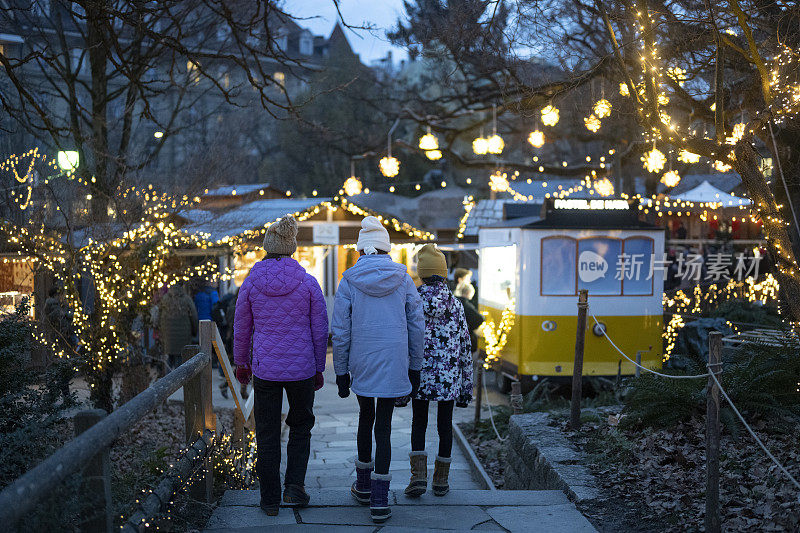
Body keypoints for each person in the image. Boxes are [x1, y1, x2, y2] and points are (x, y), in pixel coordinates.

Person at [233, 216, 328, 516]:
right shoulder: (309, 283)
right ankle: (295, 488)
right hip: (301, 369)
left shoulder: (250, 284)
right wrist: (318, 366)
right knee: (301, 427)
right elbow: (320, 328)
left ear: (266, 249)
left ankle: (269, 499)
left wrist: (241, 363)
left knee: (267, 432)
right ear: (291, 249)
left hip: (265, 370)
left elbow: (241, 327)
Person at [332, 216, 424, 524]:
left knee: (365, 418)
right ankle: (381, 500)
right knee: (383, 427)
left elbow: (341, 331)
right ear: (386, 248)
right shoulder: (404, 278)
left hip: (362, 360)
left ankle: (363, 486)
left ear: (360, 249)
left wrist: (341, 372)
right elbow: (417, 326)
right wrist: (415, 366)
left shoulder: (349, 280)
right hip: (395, 359)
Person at [405, 245, 474, 498]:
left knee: (418, 423)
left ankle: (418, 478)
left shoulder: (412, 302)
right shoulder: (456, 305)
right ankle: (442, 481)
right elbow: (465, 345)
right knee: (445, 426)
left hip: (418, 375)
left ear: (421, 274)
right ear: (444, 274)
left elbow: (405, 340)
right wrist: (466, 389)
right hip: (449, 380)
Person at [157, 283, 198, 369]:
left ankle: (167, 381)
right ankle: (181, 381)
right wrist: (194, 331)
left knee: (169, 360)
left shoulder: (165, 299)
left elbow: (158, 316)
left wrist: (161, 331)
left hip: (168, 336)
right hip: (183, 337)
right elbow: (194, 316)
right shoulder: (187, 299)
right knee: (180, 362)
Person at [453, 281, 484, 354]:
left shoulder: (453, 302)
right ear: (468, 293)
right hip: (466, 340)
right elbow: (480, 318)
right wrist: (470, 328)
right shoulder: (467, 305)